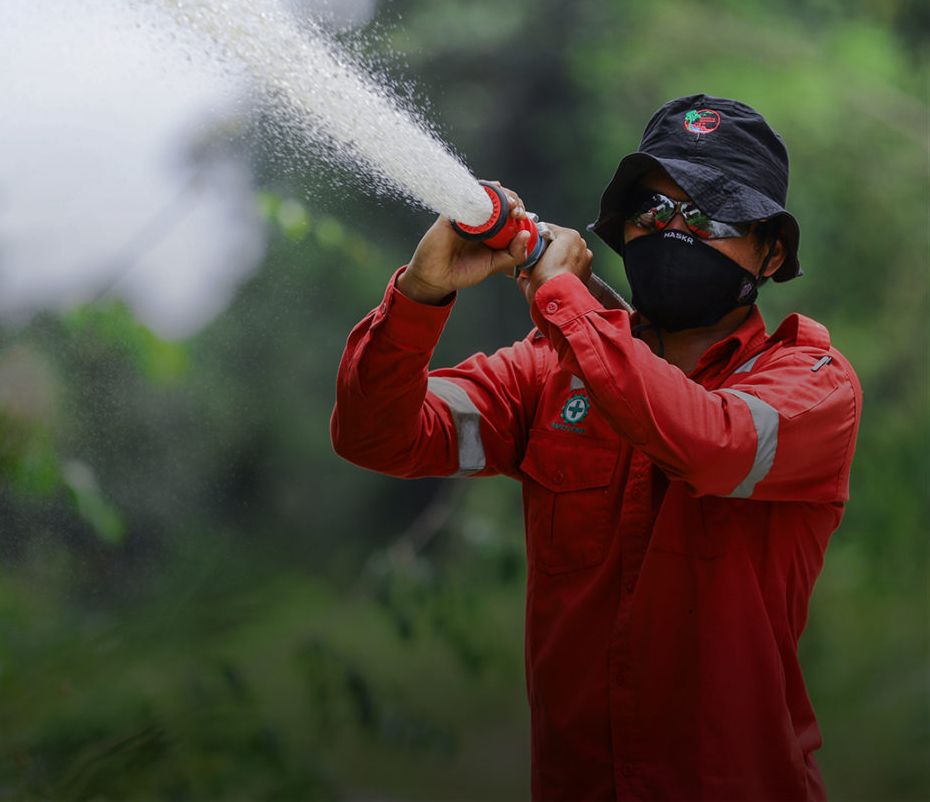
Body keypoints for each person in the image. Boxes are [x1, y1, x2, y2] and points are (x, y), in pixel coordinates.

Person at [331, 93, 862, 801]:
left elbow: (710, 445)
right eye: (653, 212)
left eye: (708, 216)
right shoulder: (546, 376)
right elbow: (378, 435)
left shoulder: (812, 384)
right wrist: (421, 294)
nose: (673, 229)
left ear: (771, 252)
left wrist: (565, 301)